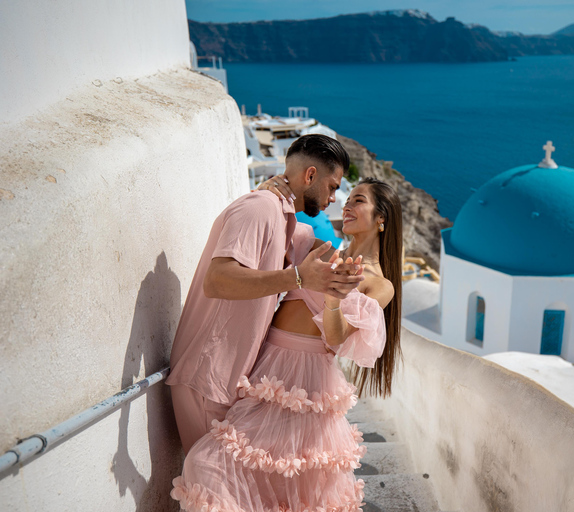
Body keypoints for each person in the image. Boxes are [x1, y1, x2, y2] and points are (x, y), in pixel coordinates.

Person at [170, 178, 403, 512]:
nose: (346, 206)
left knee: (244, 472)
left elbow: (336, 339)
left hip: (306, 383)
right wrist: (267, 193)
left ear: (382, 218)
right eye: (347, 199)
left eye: (358, 201)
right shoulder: (322, 250)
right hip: (264, 369)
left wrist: (333, 298)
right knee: (246, 472)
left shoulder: (381, 285)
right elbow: (274, 229)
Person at [167, 134, 365, 454]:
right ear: (310, 175)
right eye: (332, 186)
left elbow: (311, 248)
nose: (333, 199)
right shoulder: (259, 208)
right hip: (208, 377)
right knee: (213, 492)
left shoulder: (282, 216)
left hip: (231, 380)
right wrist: (299, 277)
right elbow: (217, 280)